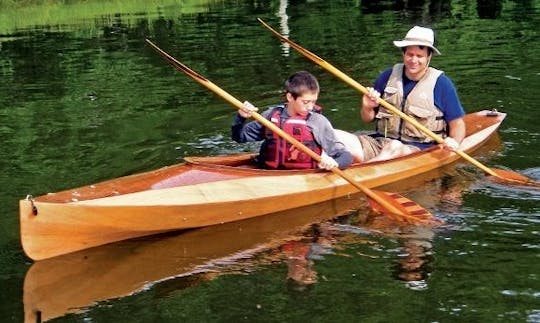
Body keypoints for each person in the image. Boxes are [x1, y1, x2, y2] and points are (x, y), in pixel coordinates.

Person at [357, 25, 466, 162]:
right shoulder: (387, 77)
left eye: (419, 56)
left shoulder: (442, 85)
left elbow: (458, 124)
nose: (414, 60)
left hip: (418, 150)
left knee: (394, 146)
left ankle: (366, 171)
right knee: (340, 138)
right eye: (410, 54)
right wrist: (367, 107)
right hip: (380, 143)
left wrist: (454, 141)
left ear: (429, 57)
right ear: (403, 54)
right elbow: (367, 119)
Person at [231, 71, 353, 170]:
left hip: (305, 178)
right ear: (290, 97)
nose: (310, 107)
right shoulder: (270, 116)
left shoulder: (317, 121)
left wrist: (335, 163)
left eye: (313, 101)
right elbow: (239, 137)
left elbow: (345, 156)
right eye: (305, 102)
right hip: (268, 173)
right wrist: (241, 117)